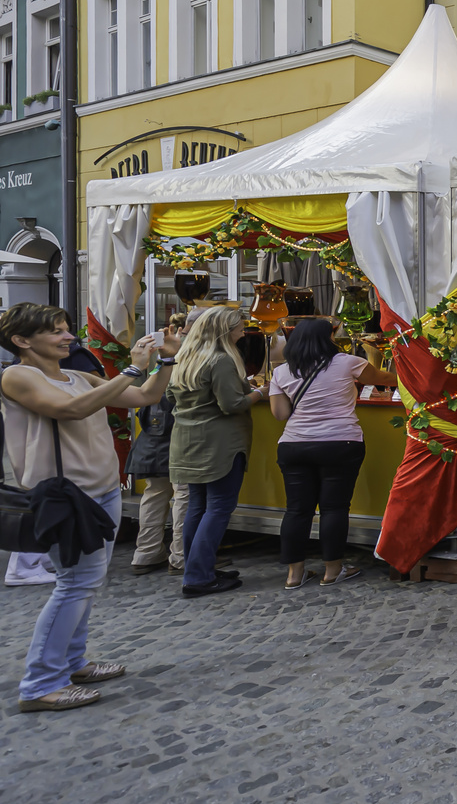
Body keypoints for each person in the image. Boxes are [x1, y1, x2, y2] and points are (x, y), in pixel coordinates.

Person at [1, 303, 174, 712]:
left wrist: (165, 358)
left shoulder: (79, 376)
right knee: (75, 585)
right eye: (56, 331)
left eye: (66, 329)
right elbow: (69, 409)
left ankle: (74, 662)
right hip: (67, 497)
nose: (68, 337)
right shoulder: (16, 375)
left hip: (104, 492)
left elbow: (146, 396)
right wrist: (131, 369)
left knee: (86, 584)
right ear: (22, 341)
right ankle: (41, 683)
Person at [269, 318, 398, 589]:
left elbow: (280, 414)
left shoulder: (281, 372)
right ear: (325, 340)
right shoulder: (346, 362)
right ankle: (333, 570)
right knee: (334, 508)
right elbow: (386, 379)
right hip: (340, 443)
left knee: (296, 510)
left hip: (294, 445)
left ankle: (294, 575)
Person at [170, 306, 268, 598]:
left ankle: (199, 568)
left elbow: (168, 396)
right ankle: (198, 576)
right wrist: (260, 392)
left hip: (187, 441)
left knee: (197, 507)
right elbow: (232, 405)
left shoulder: (184, 357)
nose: (244, 330)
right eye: (239, 326)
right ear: (225, 330)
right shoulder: (222, 360)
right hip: (220, 443)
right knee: (219, 507)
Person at [128, 312, 188, 576]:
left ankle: (146, 552)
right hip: (177, 436)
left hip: (152, 437)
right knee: (184, 494)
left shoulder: (159, 360)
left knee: (155, 493)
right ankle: (182, 556)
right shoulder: (182, 358)